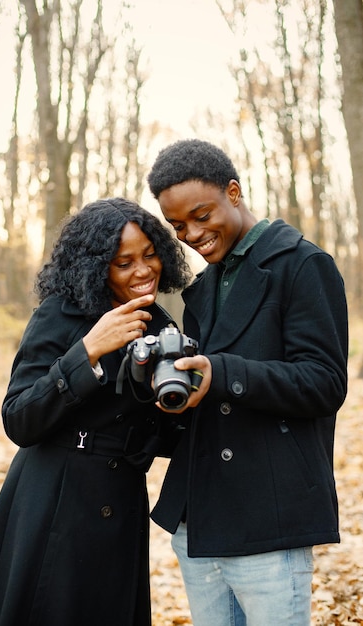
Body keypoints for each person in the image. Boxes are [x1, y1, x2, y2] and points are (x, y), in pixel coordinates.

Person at [0, 197, 191, 626]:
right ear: (98, 266)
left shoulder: (160, 326)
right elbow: (18, 418)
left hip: (121, 500)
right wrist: (88, 352)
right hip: (54, 498)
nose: (143, 271)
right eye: (124, 262)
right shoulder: (59, 315)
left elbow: (162, 433)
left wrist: (178, 405)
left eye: (150, 254)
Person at [146, 139, 348, 626]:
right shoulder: (204, 287)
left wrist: (223, 373)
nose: (192, 235)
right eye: (178, 227)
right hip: (199, 521)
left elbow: (324, 382)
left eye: (201, 215)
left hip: (268, 517)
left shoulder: (302, 265)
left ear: (233, 192)